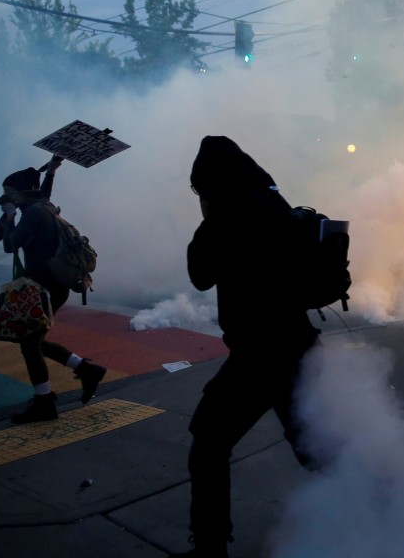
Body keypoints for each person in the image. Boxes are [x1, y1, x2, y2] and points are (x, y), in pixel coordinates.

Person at [170, 136, 322, 558]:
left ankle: (210, 548)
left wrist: (208, 215)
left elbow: (200, 273)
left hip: (260, 354)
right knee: (315, 450)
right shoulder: (276, 206)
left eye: (200, 190)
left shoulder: (226, 215)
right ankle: (379, 511)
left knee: (208, 445)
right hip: (299, 345)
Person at [0, 155, 106, 423]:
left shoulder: (33, 212)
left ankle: (44, 402)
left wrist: (9, 216)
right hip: (48, 286)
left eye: (9, 193)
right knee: (32, 342)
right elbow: (43, 193)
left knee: (30, 344)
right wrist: (52, 172)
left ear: (21, 192)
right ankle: (85, 371)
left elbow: (10, 245)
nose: (7, 197)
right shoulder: (41, 205)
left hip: (43, 287)